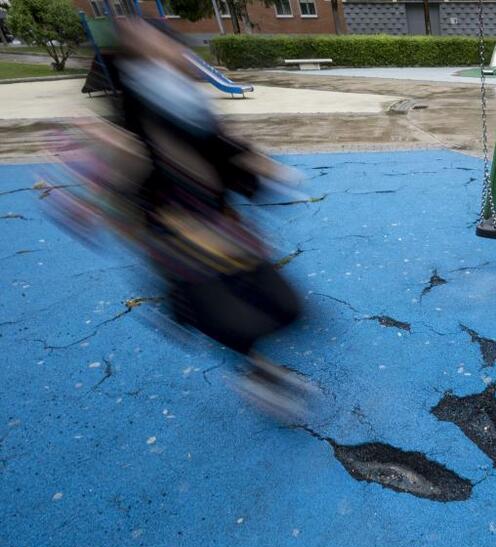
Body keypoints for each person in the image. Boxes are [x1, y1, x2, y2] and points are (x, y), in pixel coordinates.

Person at [48, 18, 312, 418]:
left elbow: (219, 146)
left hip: (221, 224)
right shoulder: (133, 108)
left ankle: (257, 366)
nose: (164, 46)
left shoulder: (183, 95)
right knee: (231, 318)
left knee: (286, 305)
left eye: (160, 37)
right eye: (144, 39)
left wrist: (264, 169)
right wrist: (95, 196)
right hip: (176, 237)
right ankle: (260, 373)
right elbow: (122, 168)